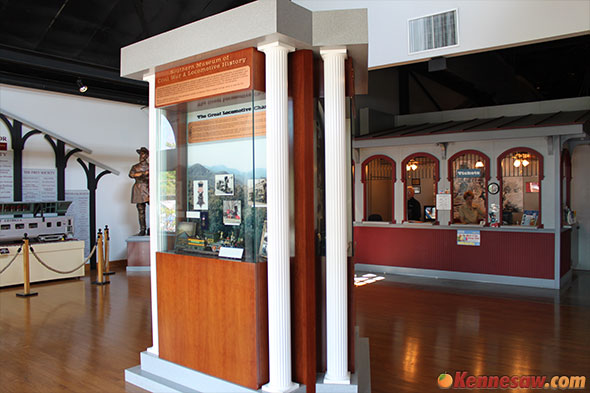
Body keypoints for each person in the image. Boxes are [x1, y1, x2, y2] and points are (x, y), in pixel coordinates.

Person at [129, 147, 149, 236]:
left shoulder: (150, 166)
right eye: (140, 154)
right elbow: (131, 174)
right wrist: (142, 174)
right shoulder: (135, 167)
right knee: (141, 210)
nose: (141, 156)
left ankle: (152, 228)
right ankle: (142, 229)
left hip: (148, 187)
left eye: (143, 154)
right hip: (138, 188)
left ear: (146, 156)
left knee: (153, 209)